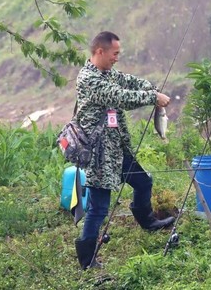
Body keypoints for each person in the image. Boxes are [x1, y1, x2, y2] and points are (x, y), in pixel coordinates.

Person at [74, 31, 174, 270]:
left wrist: (150, 87)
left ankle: (148, 221)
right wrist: (152, 97)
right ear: (100, 51)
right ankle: (87, 258)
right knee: (99, 207)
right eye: (115, 53)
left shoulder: (108, 73)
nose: (117, 58)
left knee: (143, 182)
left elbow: (128, 82)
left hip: (117, 149)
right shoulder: (89, 79)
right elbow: (121, 96)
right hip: (99, 155)